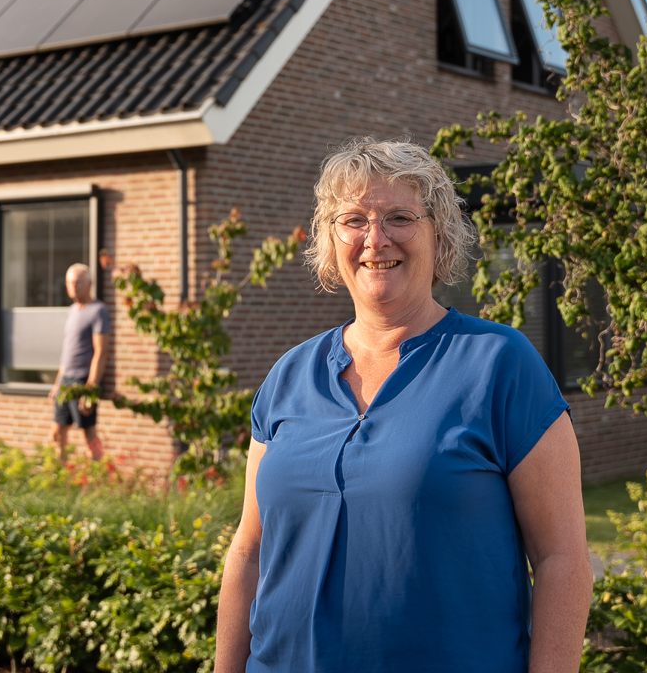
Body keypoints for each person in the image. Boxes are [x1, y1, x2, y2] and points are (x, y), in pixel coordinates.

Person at [215, 138, 592, 673]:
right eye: (353, 220)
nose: (376, 239)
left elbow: (563, 561)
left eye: (399, 217)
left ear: (439, 235)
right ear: (330, 239)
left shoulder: (501, 365)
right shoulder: (288, 377)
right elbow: (249, 553)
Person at [48, 263, 111, 460]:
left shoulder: (98, 311)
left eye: (77, 283)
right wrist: (58, 383)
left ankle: (99, 477)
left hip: (82, 381)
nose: (73, 287)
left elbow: (101, 352)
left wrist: (91, 389)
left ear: (89, 283)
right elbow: (67, 351)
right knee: (57, 433)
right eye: (69, 283)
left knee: (88, 434)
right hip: (66, 381)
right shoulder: (73, 310)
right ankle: (61, 478)